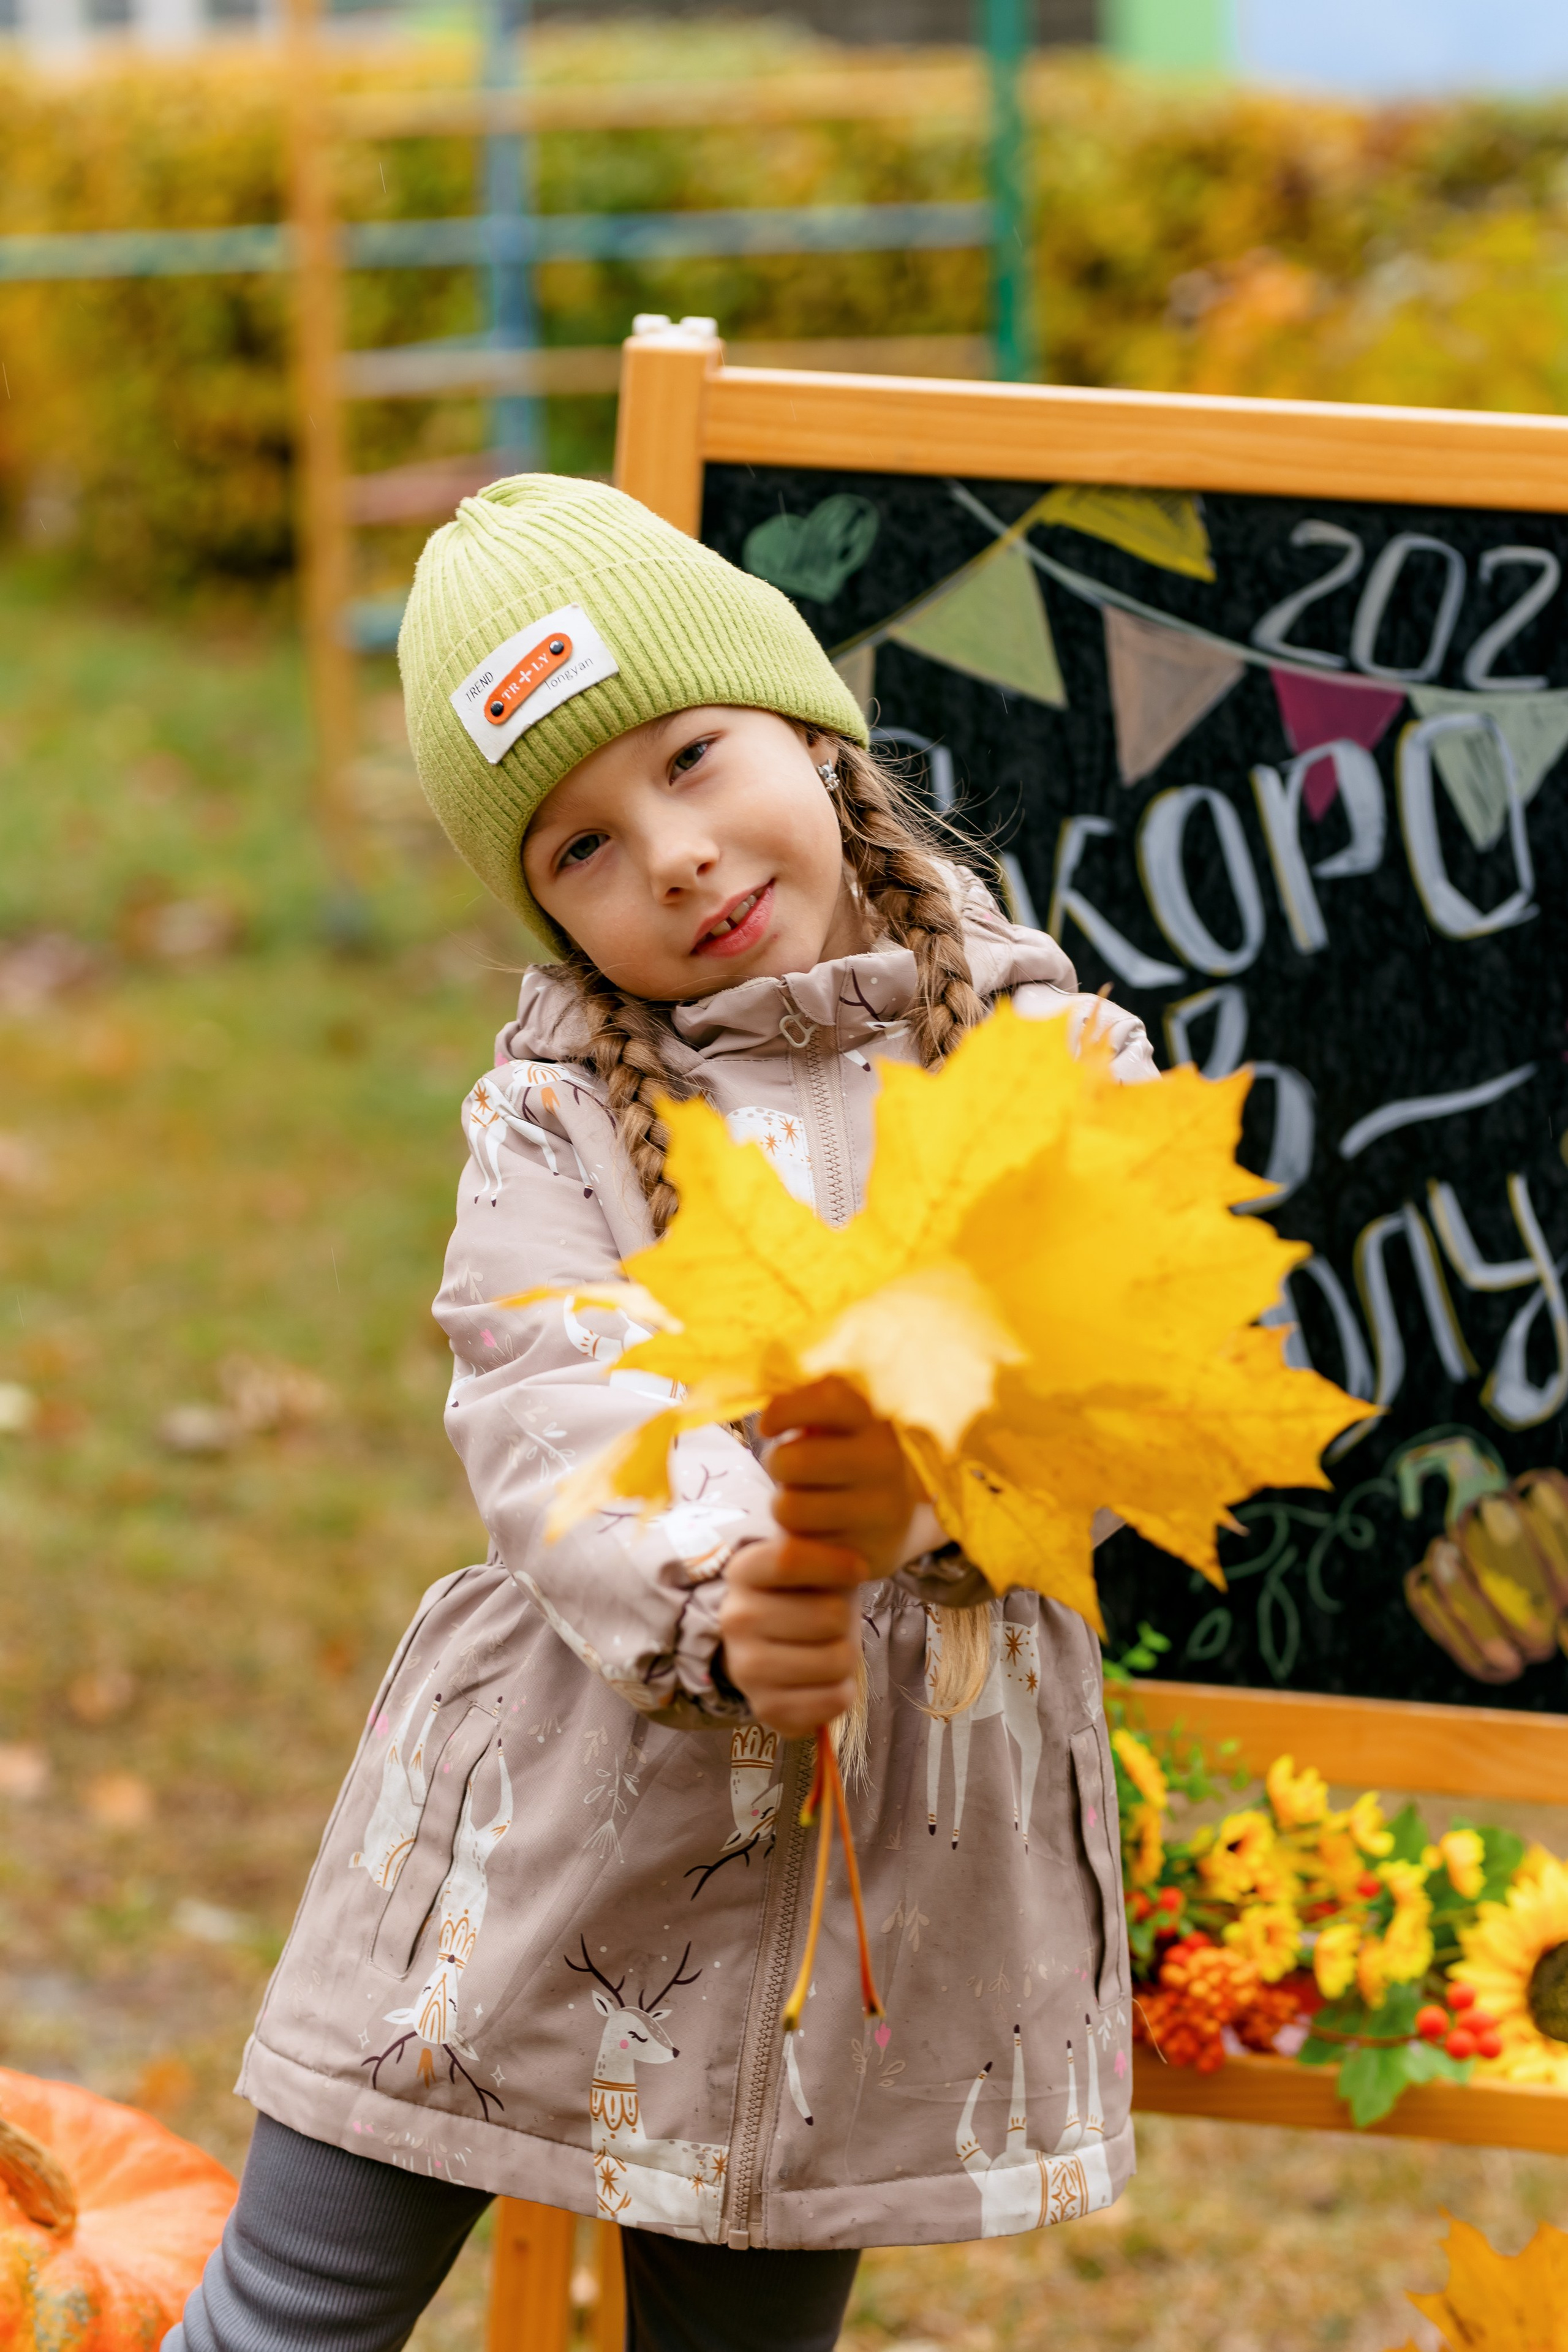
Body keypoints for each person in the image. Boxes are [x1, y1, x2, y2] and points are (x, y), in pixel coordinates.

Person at [168, 475, 1155, 2352]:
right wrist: (730, 1579)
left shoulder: (1058, 1065)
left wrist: (891, 1499)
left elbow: (1087, 1365)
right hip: (540, 1822)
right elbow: (557, 1386)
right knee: (291, 2310)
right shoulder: (552, 1123)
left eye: (695, 760)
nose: (677, 856)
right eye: (582, 851)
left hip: (882, 1841)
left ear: (811, 726)